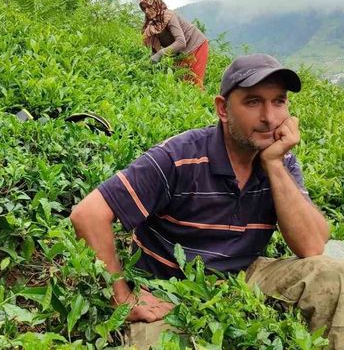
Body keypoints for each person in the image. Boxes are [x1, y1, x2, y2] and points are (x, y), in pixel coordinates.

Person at [70, 53, 343, 349]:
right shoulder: (178, 157)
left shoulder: (282, 161)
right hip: (168, 290)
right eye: (253, 102)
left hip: (243, 279)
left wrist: (275, 165)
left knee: (331, 274)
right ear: (223, 109)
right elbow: (88, 214)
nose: (270, 118)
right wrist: (121, 298)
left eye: (279, 101)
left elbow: (312, 246)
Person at [139, 0, 209, 89]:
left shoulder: (168, 16)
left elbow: (181, 42)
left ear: (156, 4)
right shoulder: (151, 25)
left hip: (196, 45)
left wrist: (160, 54)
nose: (146, 11)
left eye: (149, 7)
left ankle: (203, 103)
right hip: (179, 52)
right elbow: (154, 48)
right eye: (144, 8)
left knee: (194, 83)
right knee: (180, 82)